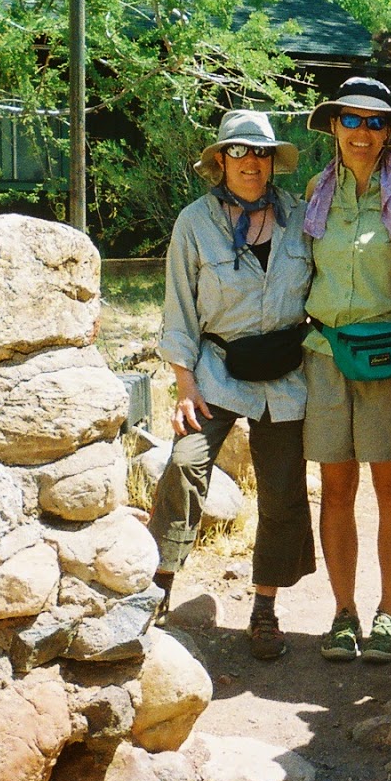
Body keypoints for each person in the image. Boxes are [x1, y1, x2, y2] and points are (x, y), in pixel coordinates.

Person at [149, 109, 315, 660]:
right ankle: (157, 587)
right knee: (185, 462)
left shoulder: (299, 216)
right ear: (220, 160)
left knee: (283, 489)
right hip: (216, 370)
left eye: (261, 153)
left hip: (287, 373)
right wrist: (183, 384)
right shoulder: (194, 222)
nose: (251, 163)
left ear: (273, 162)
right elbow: (179, 304)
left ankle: (265, 608)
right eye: (239, 152)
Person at [302, 77, 391, 664]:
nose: (362, 131)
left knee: (390, 487)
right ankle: (343, 613)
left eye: (375, 122)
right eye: (350, 120)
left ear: (388, 133)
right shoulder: (315, 191)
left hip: (389, 355)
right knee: (335, 488)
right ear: (333, 126)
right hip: (326, 355)